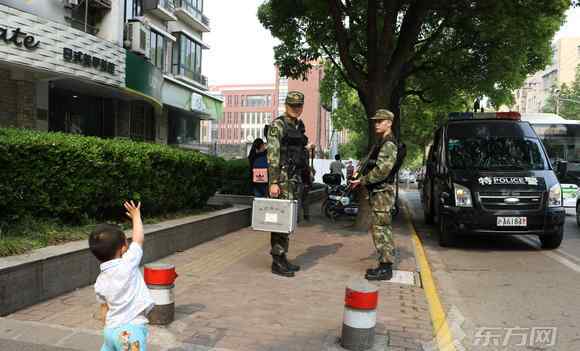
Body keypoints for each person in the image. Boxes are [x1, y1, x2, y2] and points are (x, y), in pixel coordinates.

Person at [89, 201, 154, 351]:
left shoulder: (100, 281)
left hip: (110, 331)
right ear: (123, 247)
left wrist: (107, 328)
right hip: (129, 332)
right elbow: (138, 239)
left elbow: (104, 308)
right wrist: (136, 216)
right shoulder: (128, 264)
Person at [267, 90, 313, 277]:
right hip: (282, 178)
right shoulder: (278, 125)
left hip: (294, 178)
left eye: (299, 106)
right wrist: (273, 182)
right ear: (286, 105)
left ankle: (283, 257)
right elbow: (272, 156)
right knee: (279, 220)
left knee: (287, 221)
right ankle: (277, 261)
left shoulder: (298, 126)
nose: (296, 109)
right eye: (292, 106)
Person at [351, 109, 399, 281]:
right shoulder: (382, 142)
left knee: (382, 230)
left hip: (382, 193)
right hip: (379, 192)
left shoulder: (389, 144)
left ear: (389, 123)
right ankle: (384, 265)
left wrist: (362, 180)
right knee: (380, 228)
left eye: (380, 121)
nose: (376, 124)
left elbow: (382, 171)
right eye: (376, 121)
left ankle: (386, 268)